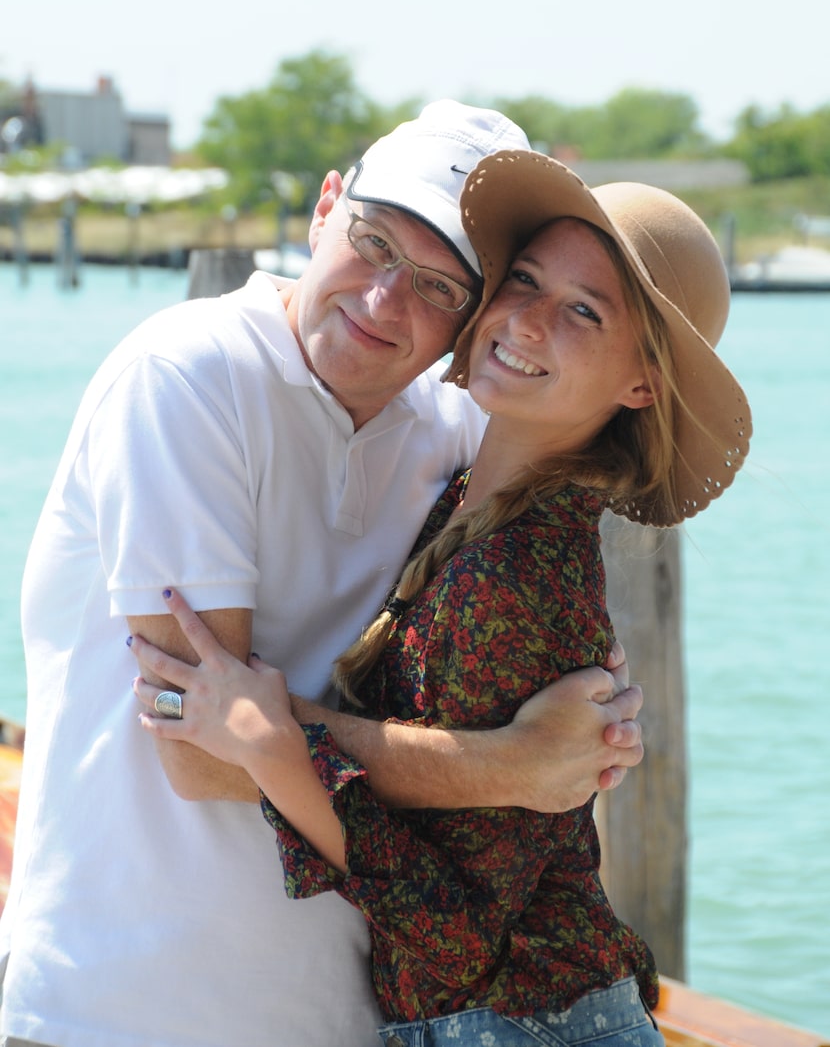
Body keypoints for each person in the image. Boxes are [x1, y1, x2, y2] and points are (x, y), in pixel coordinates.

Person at [0, 105, 645, 1047]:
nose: (385, 301)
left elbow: (550, 670)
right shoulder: (187, 375)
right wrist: (509, 764)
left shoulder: (462, 432)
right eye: (374, 243)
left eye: (437, 285)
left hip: (351, 1020)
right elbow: (202, 746)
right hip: (119, 1010)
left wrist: (593, 725)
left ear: (471, 320)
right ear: (324, 208)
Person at [129, 152, 752, 1046]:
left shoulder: (516, 574)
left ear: (641, 384)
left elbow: (456, 938)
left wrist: (277, 748)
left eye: (583, 311)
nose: (526, 321)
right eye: (524, 280)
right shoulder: (470, 502)